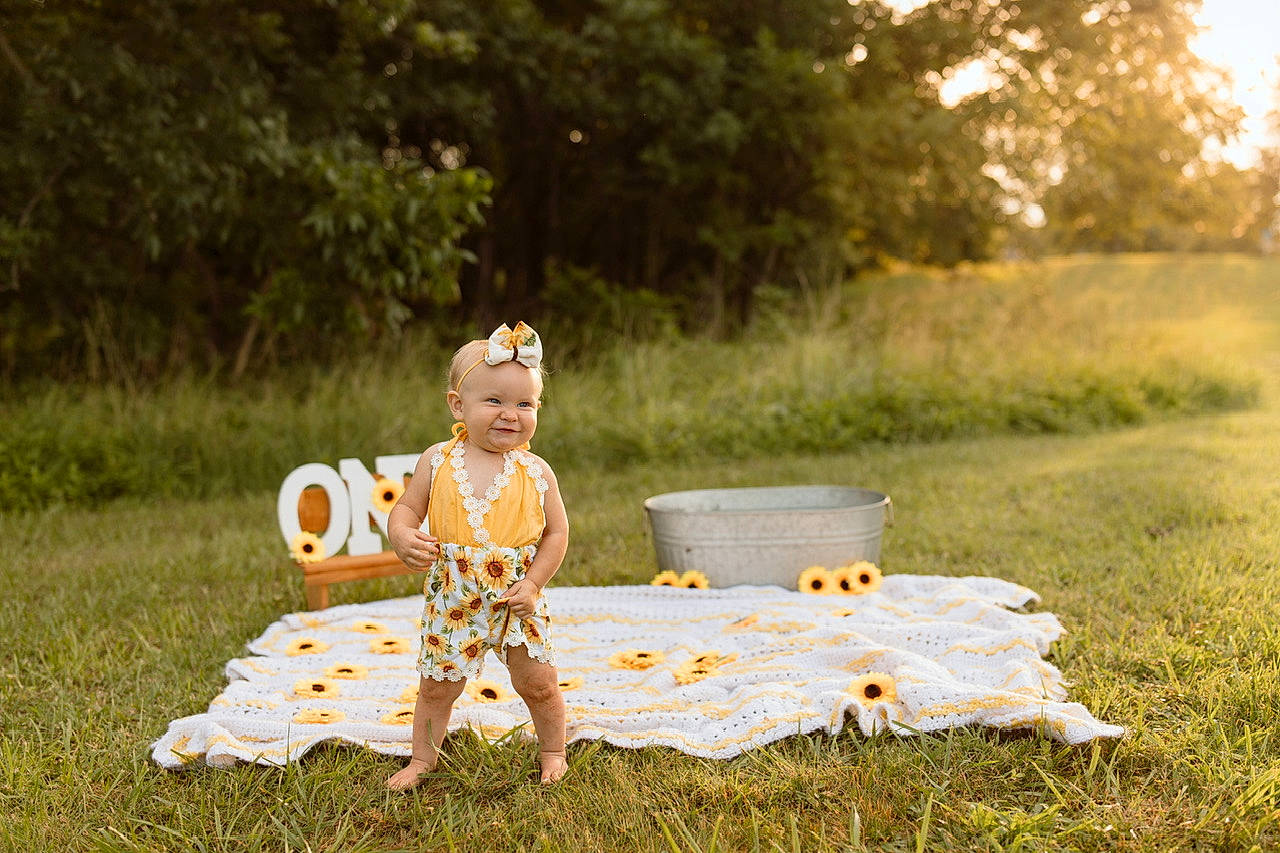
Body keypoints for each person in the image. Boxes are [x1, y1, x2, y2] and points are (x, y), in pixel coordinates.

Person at [384, 322, 570, 789]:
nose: (510, 414)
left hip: (516, 596)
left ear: (537, 410)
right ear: (458, 405)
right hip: (453, 595)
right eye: (495, 401)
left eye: (524, 404)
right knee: (436, 687)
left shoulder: (536, 470)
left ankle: (553, 749)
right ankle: (422, 759)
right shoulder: (438, 460)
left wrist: (533, 584)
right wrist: (401, 534)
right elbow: (406, 508)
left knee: (539, 684)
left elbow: (556, 533)